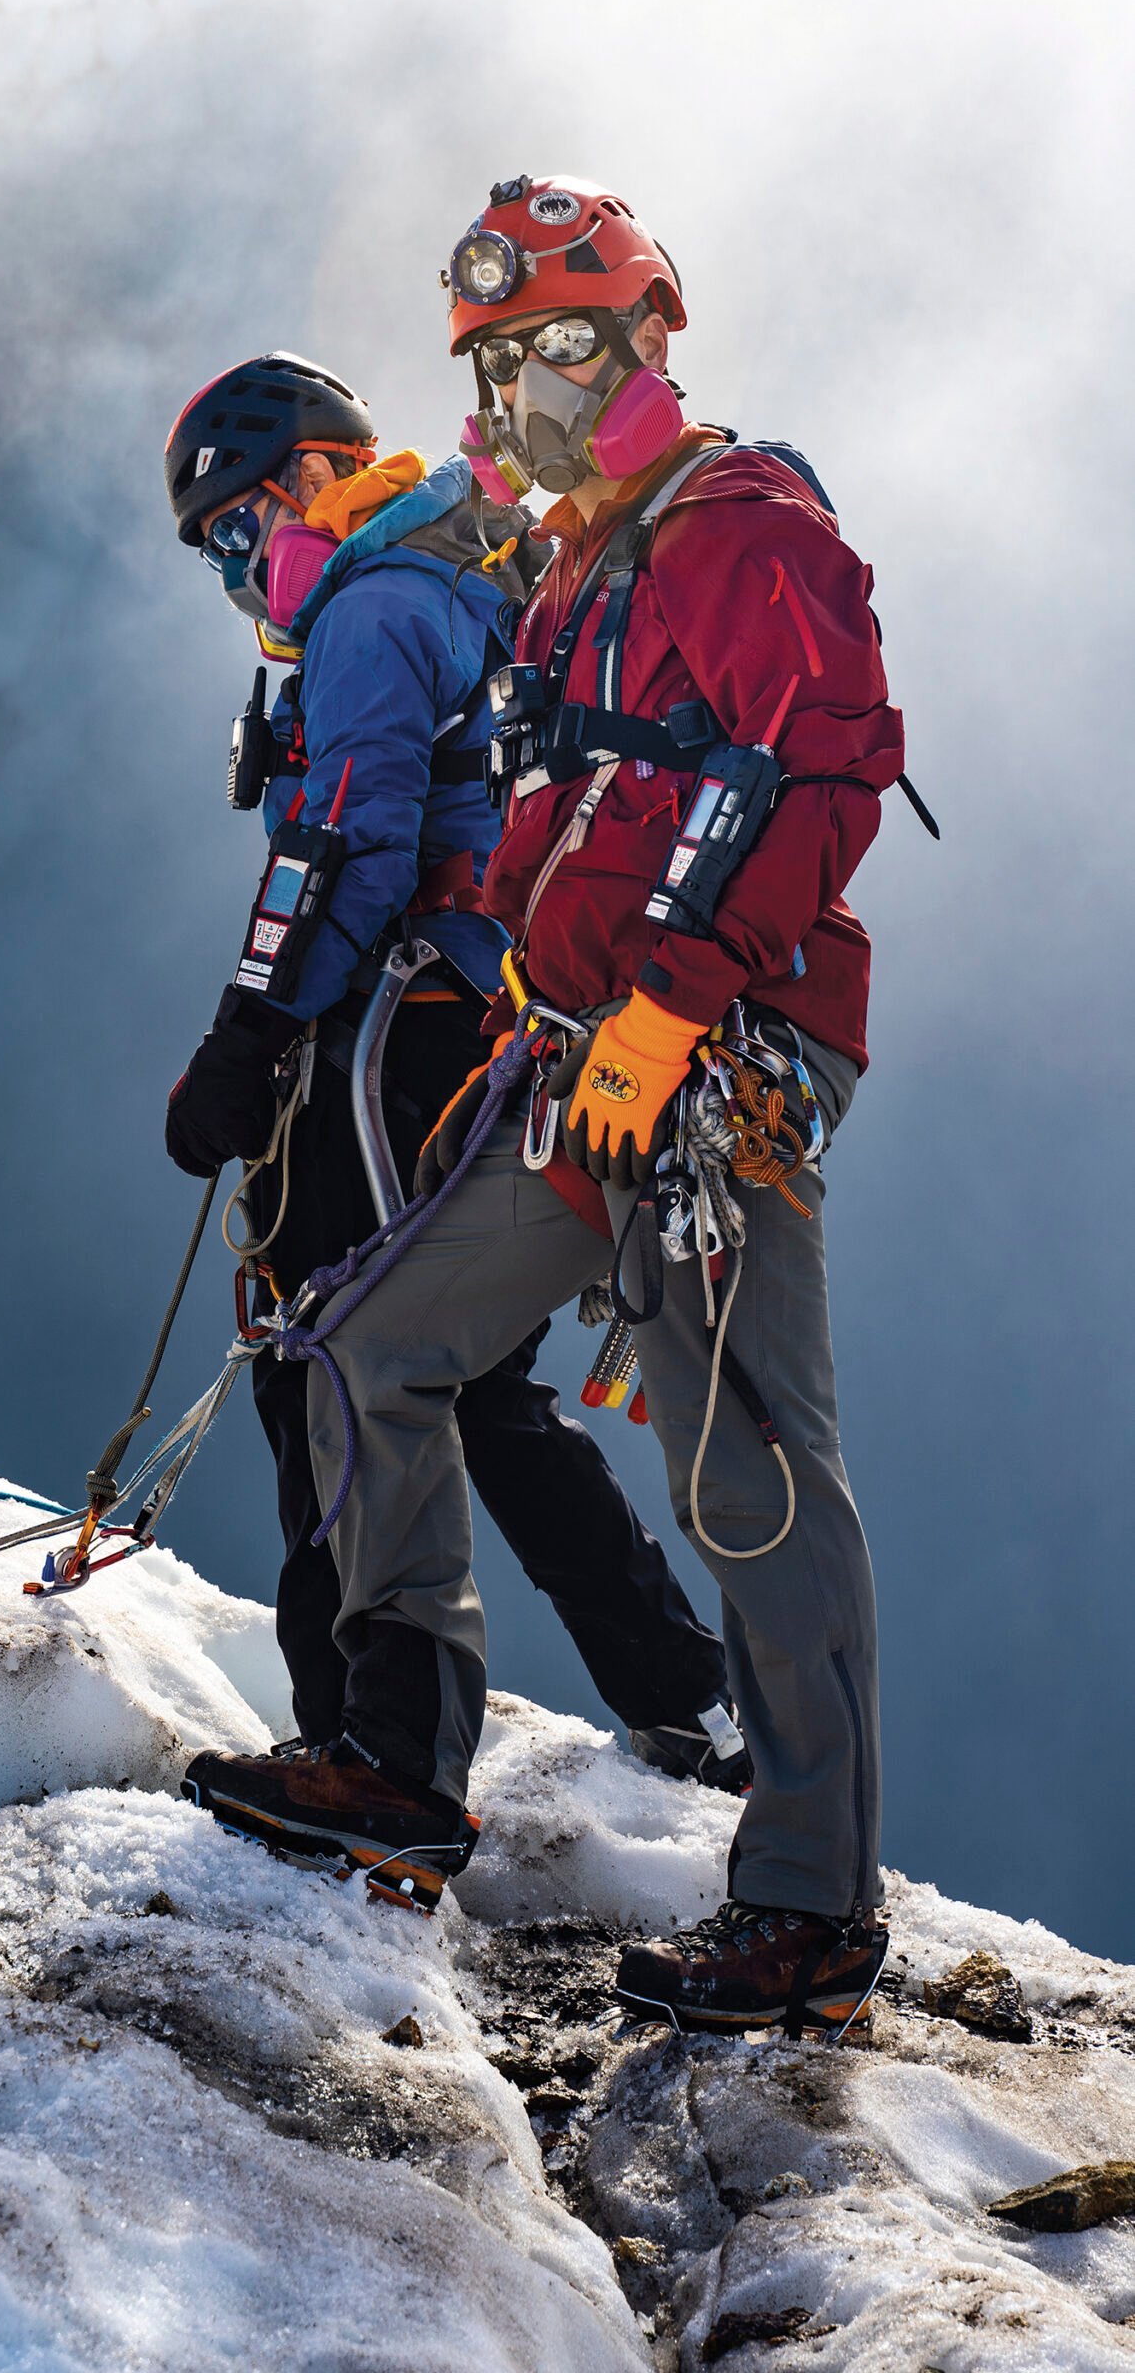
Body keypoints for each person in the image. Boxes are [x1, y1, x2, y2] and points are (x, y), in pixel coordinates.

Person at [185, 186, 905, 2036]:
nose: (526, 388)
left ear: (650, 340)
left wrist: (667, 1004)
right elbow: (550, 824)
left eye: (561, 347)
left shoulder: (740, 526)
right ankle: (401, 1769)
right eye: (503, 360)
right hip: (574, 1063)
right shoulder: (579, 572)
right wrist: (524, 1007)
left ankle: (812, 1912)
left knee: (748, 1473)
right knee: (365, 1344)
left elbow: (826, 759)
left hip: (704, 1062)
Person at [160, 351, 748, 1896]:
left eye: (232, 532)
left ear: (299, 480)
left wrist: (246, 1036)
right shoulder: (480, 570)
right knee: (465, 1373)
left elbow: (349, 846)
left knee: (322, 1348)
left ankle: (364, 1743)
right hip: (492, 1013)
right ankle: (685, 1696)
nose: (236, 572)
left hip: (391, 1023)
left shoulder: (368, 603)